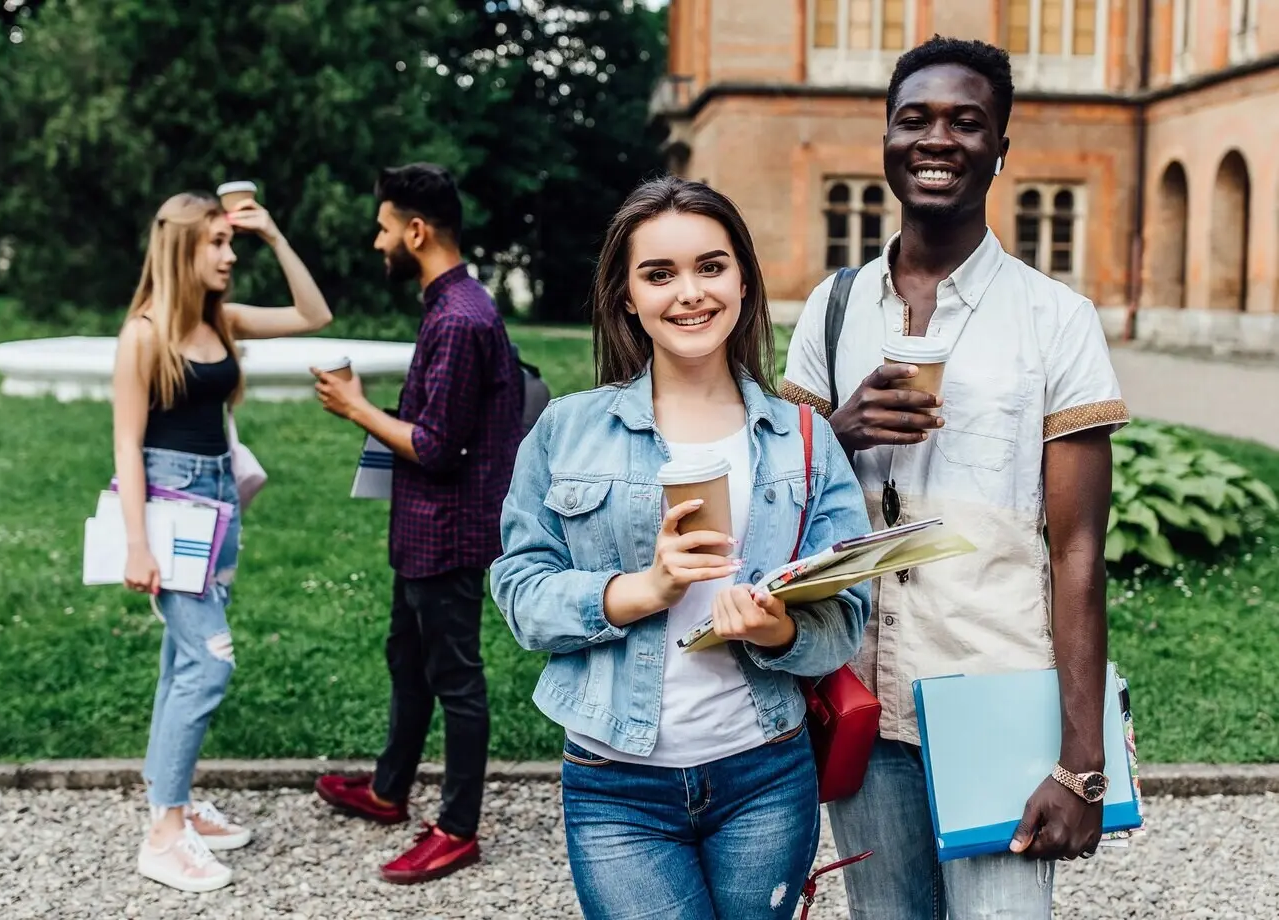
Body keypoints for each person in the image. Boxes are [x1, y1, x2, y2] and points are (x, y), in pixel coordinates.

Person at [780, 37, 1129, 919]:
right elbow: (777, 494)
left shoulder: (1056, 320)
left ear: (1000, 148)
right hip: (858, 687)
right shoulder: (831, 308)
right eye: (915, 119)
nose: (938, 138)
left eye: (966, 122)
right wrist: (837, 432)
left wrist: (1079, 761)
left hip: (996, 694)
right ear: (886, 141)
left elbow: (1079, 550)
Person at [490, 176, 873, 920]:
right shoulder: (566, 431)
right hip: (616, 784)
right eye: (658, 274)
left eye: (710, 266)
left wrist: (778, 630)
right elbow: (520, 594)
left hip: (765, 773)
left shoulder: (805, 439)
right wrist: (645, 589)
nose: (689, 293)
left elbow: (846, 616)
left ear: (742, 280)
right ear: (626, 296)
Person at [113, 191, 333, 891]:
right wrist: (136, 546)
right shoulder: (144, 334)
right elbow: (126, 443)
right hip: (169, 515)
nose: (228, 254)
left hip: (217, 510)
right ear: (182, 248)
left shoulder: (221, 321)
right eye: (216, 242)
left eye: (229, 241)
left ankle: (168, 800)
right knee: (210, 663)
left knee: (182, 660)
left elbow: (313, 314)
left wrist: (271, 231)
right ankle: (164, 833)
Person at [311, 164, 524, 884]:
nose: (377, 242)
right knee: (407, 662)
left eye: (382, 227)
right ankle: (388, 790)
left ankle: (458, 828)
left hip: (450, 535)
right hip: (420, 534)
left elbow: (435, 445)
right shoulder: (447, 306)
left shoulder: (462, 318)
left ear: (416, 230)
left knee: (456, 680)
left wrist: (354, 407)